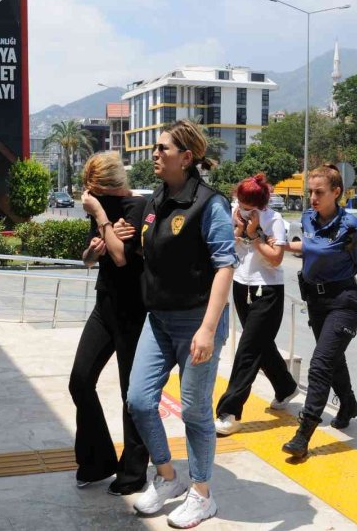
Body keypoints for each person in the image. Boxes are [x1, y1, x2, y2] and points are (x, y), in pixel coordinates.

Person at [117, 120, 237, 528]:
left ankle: (202, 494)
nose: (155, 154)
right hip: (159, 319)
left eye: (163, 148)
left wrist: (208, 329)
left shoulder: (209, 204)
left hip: (197, 321)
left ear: (186, 158)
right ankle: (168, 476)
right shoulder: (156, 199)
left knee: (195, 411)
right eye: (155, 148)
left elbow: (225, 266)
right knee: (138, 400)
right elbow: (151, 251)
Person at [281, 164, 357, 459]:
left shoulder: (351, 227)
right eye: (310, 192)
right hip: (315, 302)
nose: (313, 198)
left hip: (344, 302)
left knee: (320, 364)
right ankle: (349, 404)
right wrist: (281, 245)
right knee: (333, 360)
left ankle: (303, 434)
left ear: (336, 192)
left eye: (319, 192)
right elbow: (308, 247)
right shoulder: (307, 218)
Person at [69, 151, 149, 496]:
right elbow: (91, 259)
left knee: (131, 393)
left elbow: (120, 257)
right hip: (104, 305)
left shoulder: (138, 206)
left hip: (133, 309)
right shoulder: (99, 206)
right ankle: (97, 460)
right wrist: (94, 249)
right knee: (80, 380)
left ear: (113, 183)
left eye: (98, 189)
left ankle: (133, 472)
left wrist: (101, 217)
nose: (93, 196)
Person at [214, 174, 298, 436]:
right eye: (240, 203)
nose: (243, 209)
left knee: (248, 350)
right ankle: (285, 387)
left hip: (267, 290)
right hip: (241, 285)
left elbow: (276, 259)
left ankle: (229, 411)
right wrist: (239, 230)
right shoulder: (234, 213)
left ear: (261, 205)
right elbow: (227, 246)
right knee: (261, 345)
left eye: (249, 206)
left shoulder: (274, 220)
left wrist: (254, 235)